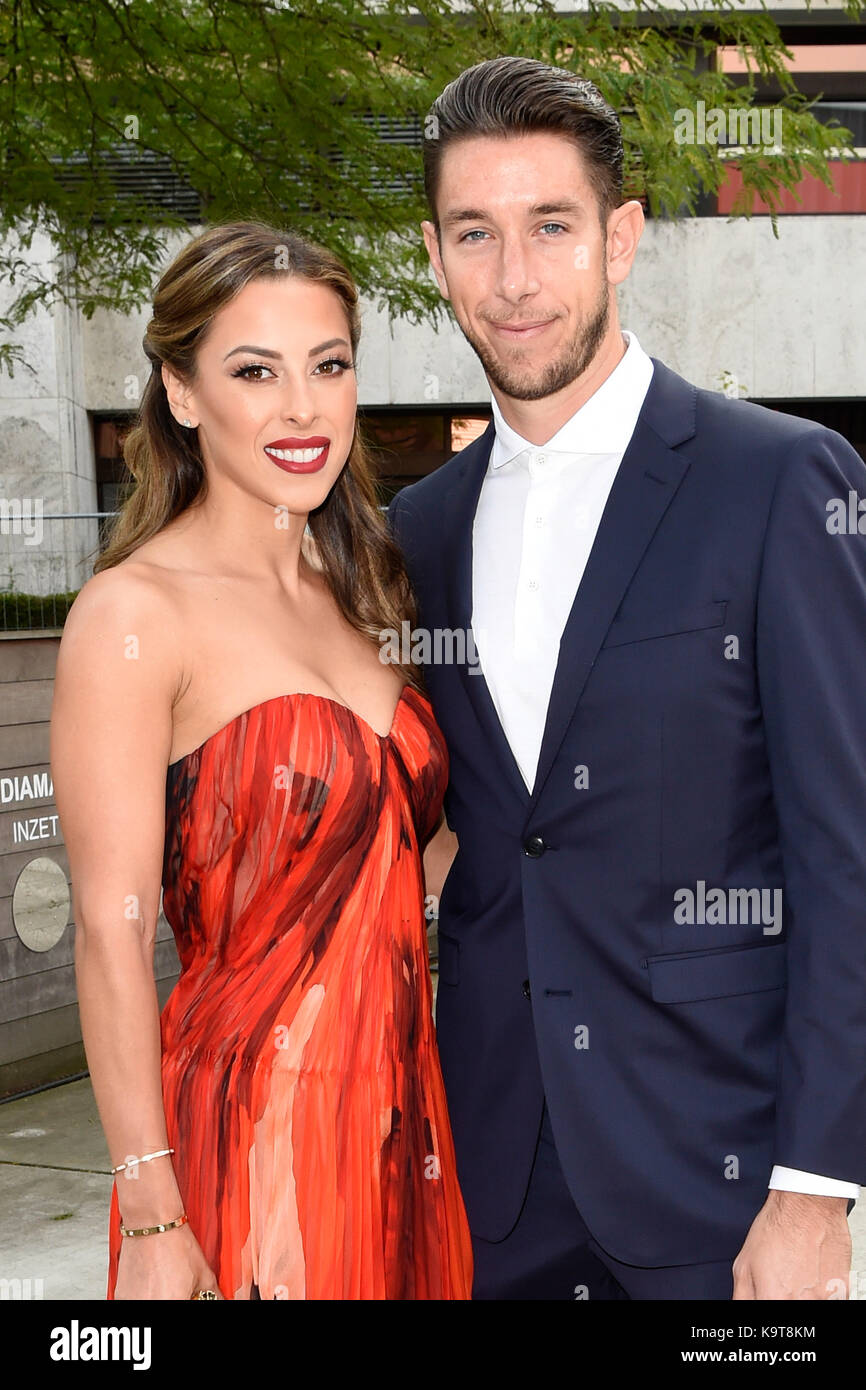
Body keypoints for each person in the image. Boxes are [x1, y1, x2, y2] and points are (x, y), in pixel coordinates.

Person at [386, 56, 866, 1300]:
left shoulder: (775, 481)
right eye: (473, 233)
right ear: (432, 256)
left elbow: (842, 853)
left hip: (720, 1183)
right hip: (489, 1182)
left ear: (622, 237)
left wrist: (815, 1186)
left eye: (550, 226)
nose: (513, 278)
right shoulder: (416, 534)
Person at [50, 220, 473, 1300]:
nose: (302, 407)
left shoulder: (369, 591)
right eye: (255, 371)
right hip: (247, 1130)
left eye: (328, 366)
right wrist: (151, 1213)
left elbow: (411, 855)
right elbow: (109, 926)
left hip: (406, 1117)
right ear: (181, 393)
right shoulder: (132, 613)